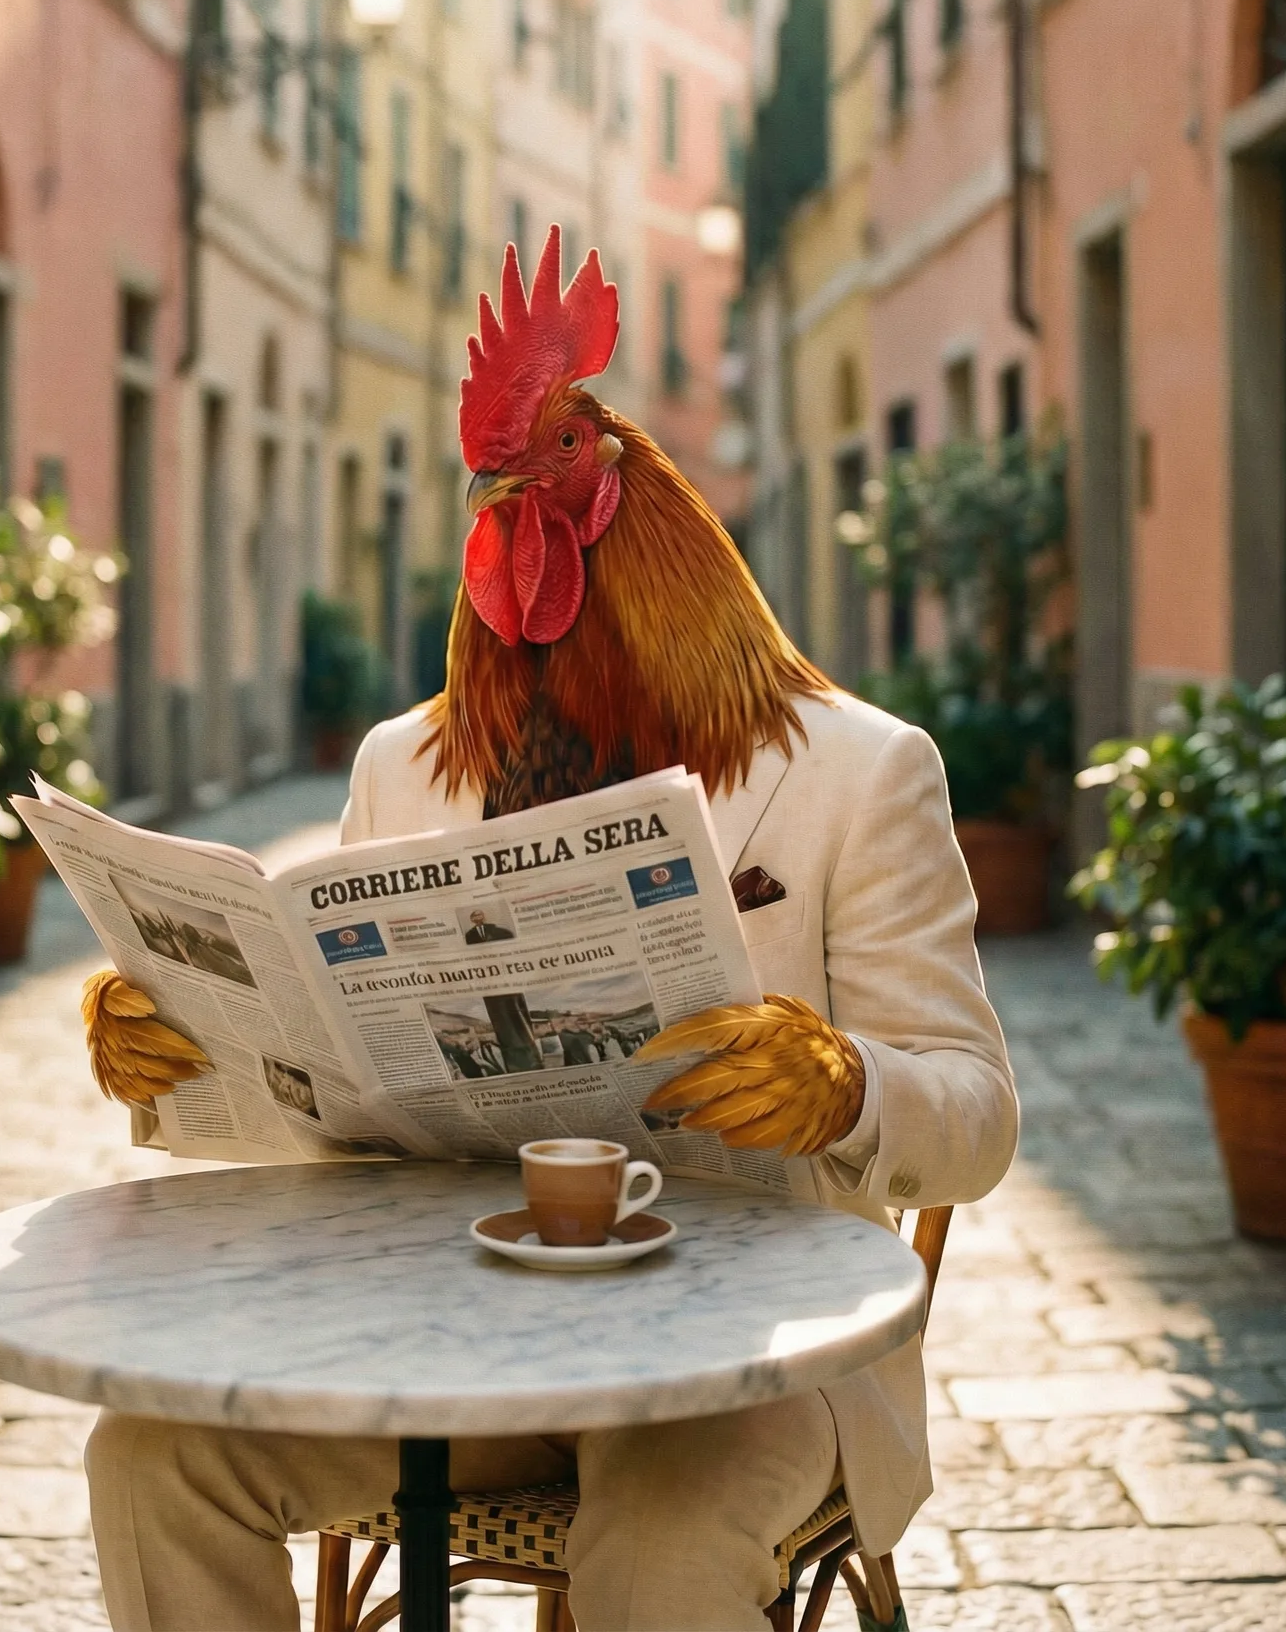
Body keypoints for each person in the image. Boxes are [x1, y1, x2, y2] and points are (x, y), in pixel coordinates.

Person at [81, 233, 1018, 1632]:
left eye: (555, 452)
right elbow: (342, 1102)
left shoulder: (859, 771)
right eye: (499, 471)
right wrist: (176, 1035)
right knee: (153, 1456)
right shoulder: (404, 767)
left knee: (660, 1544)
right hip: (460, 1347)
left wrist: (844, 1081)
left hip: (753, 1361)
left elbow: (980, 1114)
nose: (514, 483)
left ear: (620, 487)